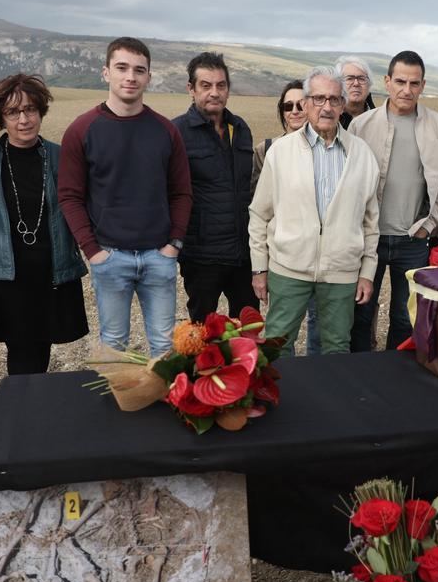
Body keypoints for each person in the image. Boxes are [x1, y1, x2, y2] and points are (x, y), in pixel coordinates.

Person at [58, 37, 191, 356]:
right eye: (121, 68)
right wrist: (92, 250)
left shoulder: (165, 131)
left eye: (139, 70)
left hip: (158, 257)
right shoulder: (82, 130)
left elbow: (182, 192)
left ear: (148, 77)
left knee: (164, 345)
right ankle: (120, 406)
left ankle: (165, 403)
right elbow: (69, 196)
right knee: (114, 344)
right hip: (109, 256)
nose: (130, 76)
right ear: (106, 73)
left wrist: (173, 245)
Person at [249, 66, 379, 354]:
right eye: (318, 99)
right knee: (277, 346)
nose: (326, 107)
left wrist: (367, 272)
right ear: (306, 103)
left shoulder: (362, 155)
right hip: (288, 269)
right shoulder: (280, 152)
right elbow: (260, 214)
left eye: (334, 99)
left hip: (341, 273)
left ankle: (329, 400)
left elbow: (371, 222)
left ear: (343, 105)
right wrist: (260, 267)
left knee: (336, 347)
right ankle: (280, 400)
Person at [0, 74, 88, 375]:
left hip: (51, 275)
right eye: (13, 112)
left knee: (40, 353)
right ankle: (23, 415)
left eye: (30, 109)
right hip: (7, 278)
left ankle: (28, 413)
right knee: (22, 356)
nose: (24, 119)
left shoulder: (61, 157)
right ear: (0, 116)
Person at [348, 50, 438, 351]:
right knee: (362, 312)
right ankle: (362, 374)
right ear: (387, 82)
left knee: (405, 317)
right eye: (400, 81)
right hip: (371, 238)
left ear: (422, 85)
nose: (407, 90)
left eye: (414, 83)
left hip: (413, 238)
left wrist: (428, 225)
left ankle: (396, 375)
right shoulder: (361, 126)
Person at [172, 52, 258, 323]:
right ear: (191, 89)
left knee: (248, 329)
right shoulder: (177, 133)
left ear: (228, 89)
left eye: (221, 85)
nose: (214, 93)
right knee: (201, 332)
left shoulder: (240, 128)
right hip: (201, 257)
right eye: (206, 85)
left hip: (243, 253)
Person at [252, 80, 306, 190]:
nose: (295, 111)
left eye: (301, 105)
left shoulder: (323, 148)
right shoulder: (265, 149)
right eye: (288, 106)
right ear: (282, 111)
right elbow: (257, 197)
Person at [336, 55, 376, 128]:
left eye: (361, 79)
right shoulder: (329, 117)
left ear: (369, 85)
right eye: (349, 78)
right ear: (338, 84)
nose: (356, 83)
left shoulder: (379, 120)